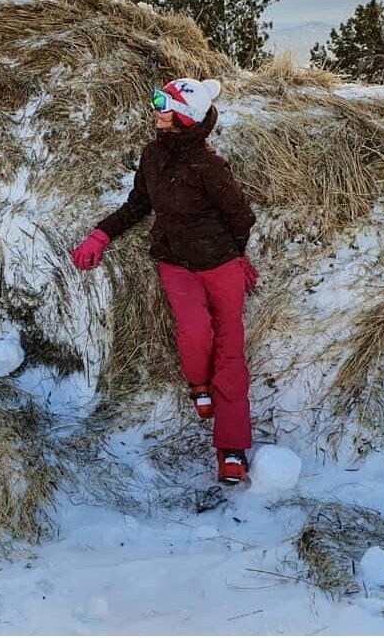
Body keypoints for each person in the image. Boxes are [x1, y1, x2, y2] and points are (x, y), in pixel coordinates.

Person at [71, 78, 259, 484]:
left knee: (230, 349)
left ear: (185, 117)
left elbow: (241, 216)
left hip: (219, 263)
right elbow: (138, 205)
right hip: (174, 261)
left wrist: (238, 257)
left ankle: (231, 448)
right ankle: (198, 385)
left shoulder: (211, 167)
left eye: (164, 102)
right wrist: (101, 235)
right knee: (194, 333)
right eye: (158, 98)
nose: (156, 106)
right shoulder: (152, 156)